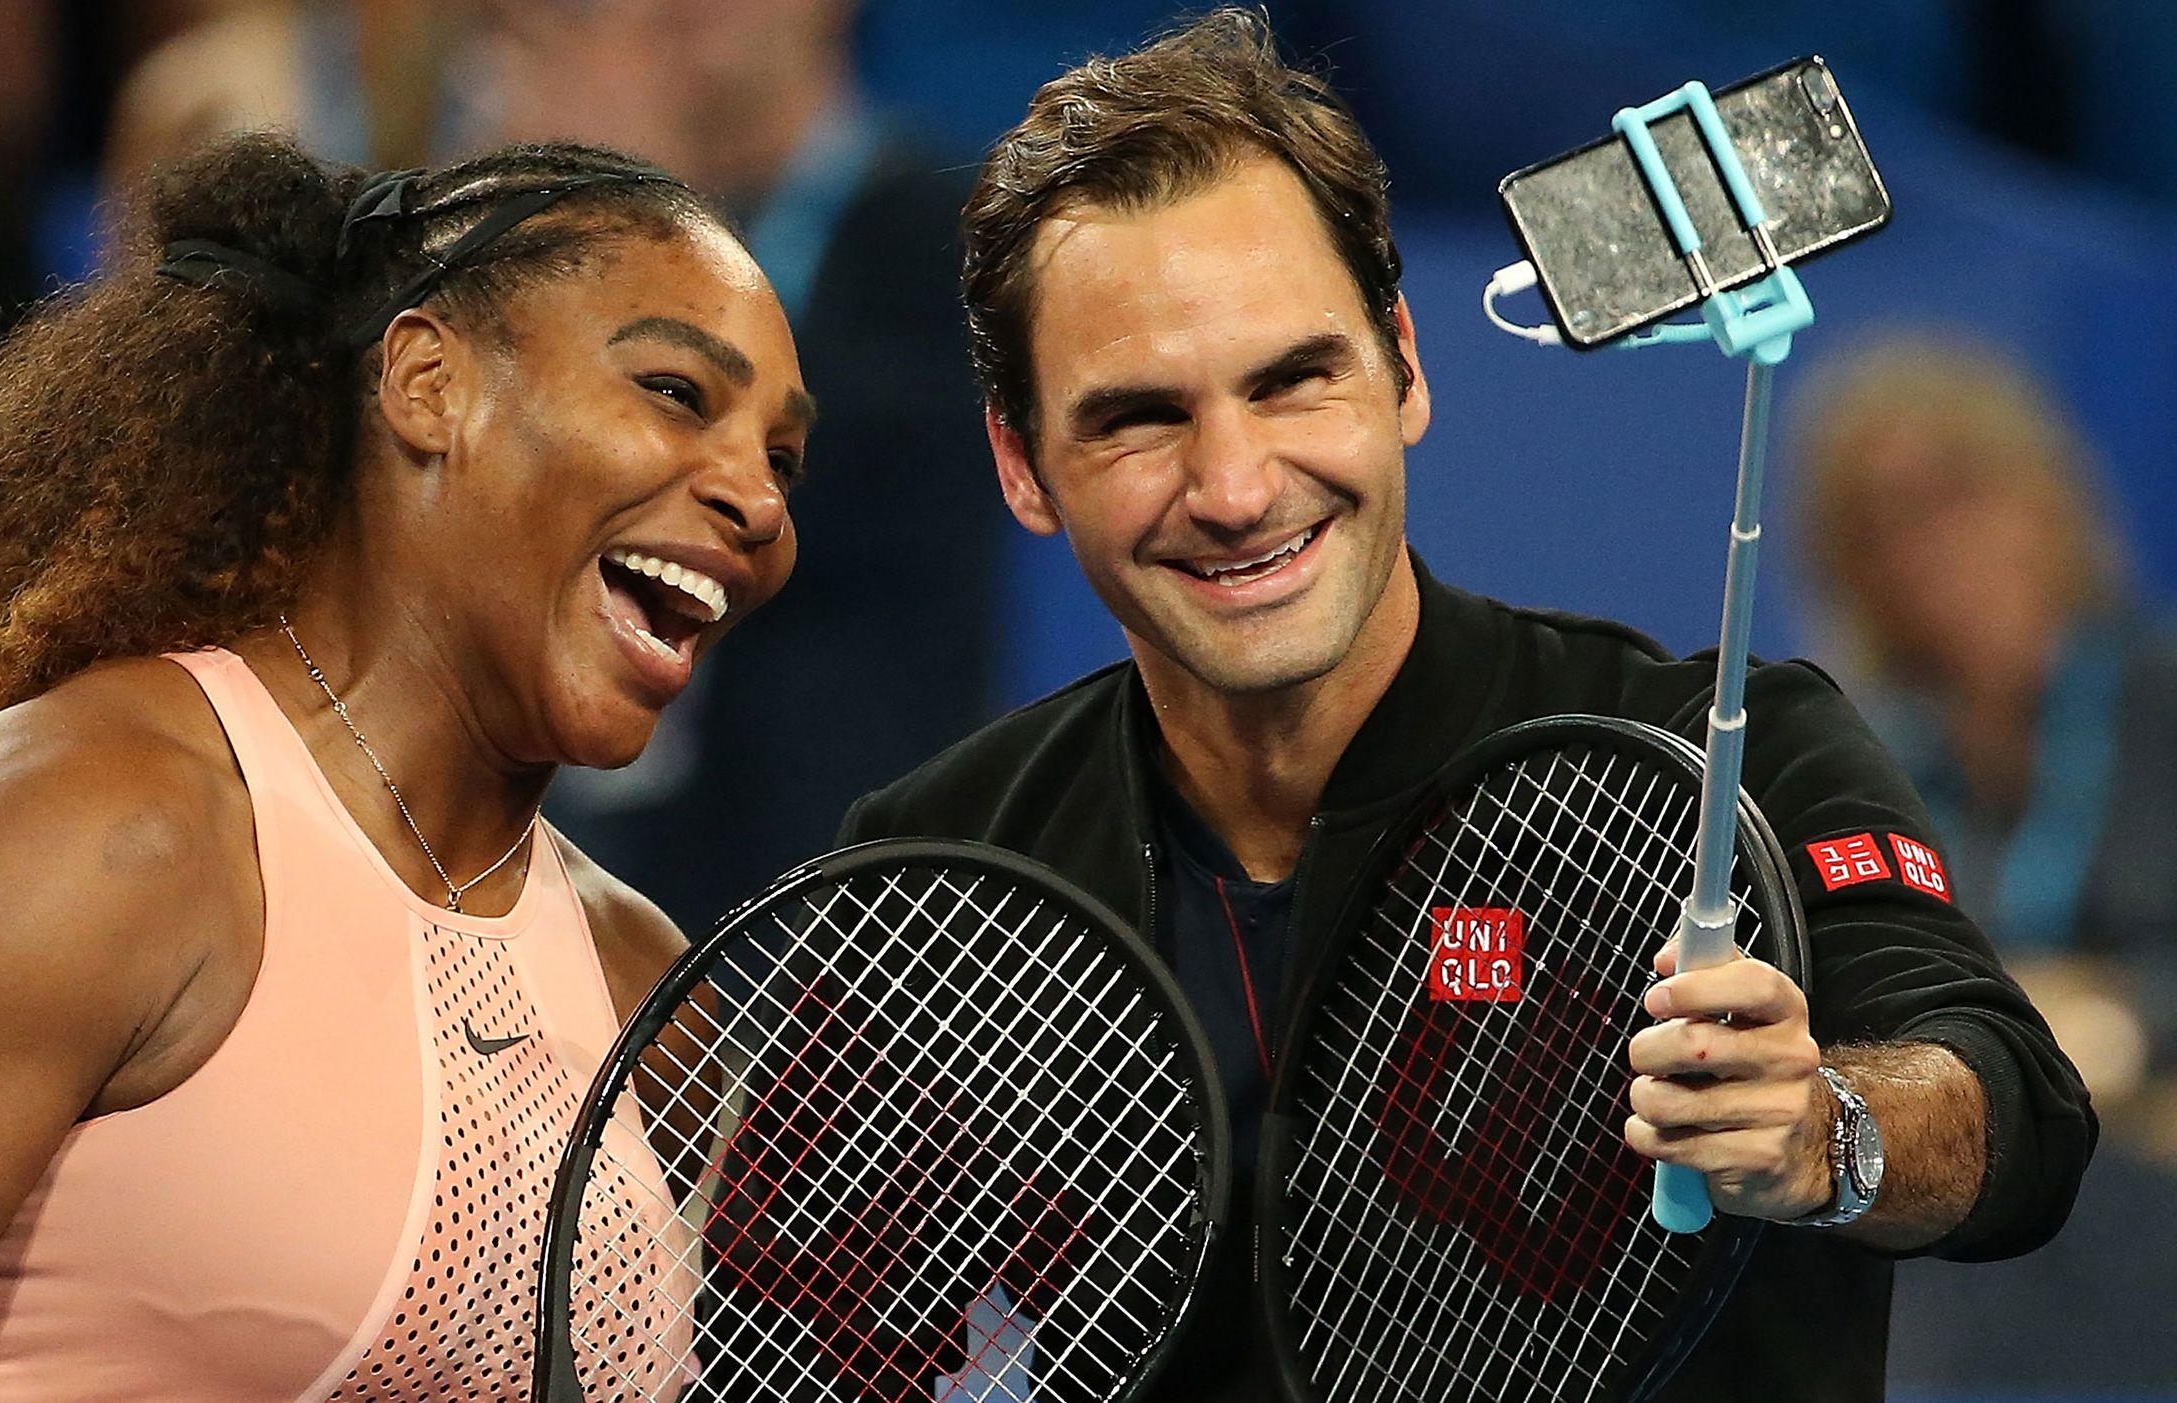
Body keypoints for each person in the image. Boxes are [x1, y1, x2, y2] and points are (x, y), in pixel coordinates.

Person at [837, 12, 2095, 1401]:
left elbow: (2007, 1112)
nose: (1236, 485)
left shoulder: (1732, 756)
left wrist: (1824, 1133)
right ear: (1022, 464)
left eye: (1291, 377)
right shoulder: (932, 870)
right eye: (1137, 414)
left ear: (1402, 367)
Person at [0, 130, 812, 1400]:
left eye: (783, 456)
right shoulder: (103, 816)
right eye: (676, 392)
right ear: (428, 382)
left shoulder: (640, 984)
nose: (757, 502)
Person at [497, 0, 1007, 937]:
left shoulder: (950, 233)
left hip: (851, 934)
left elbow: (792, 501)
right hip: (568, 887)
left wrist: (631, 231)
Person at [1793, 331, 2177, 1393]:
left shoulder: (2157, 705)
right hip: (1960, 1304)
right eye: (1880, 524)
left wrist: (2131, 1018)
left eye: (1955, 496)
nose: (1928, 549)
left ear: (2045, 496)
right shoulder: (1860, 768)